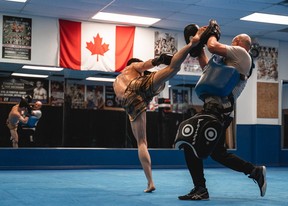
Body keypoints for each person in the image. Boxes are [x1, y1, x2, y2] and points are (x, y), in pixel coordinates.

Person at [175, 20, 266, 200]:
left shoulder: (241, 54)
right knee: (217, 153)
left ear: (241, 43)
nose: (232, 41)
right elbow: (207, 69)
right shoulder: (225, 61)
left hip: (219, 110)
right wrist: (197, 47)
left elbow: (213, 46)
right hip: (214, 109)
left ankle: (200, 188)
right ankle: (254, 171)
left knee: (189, 141)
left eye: (235, 39)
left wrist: (211, 33)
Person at [113, 32, 202, 193]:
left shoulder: (116, 82)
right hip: (136, 87)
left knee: (141, 143)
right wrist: (158, 60)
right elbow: (144, 65)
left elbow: (127, 97)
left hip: (128, 101)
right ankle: (192, 44)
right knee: (173, 68)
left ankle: (150, 182)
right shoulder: (131, 67)